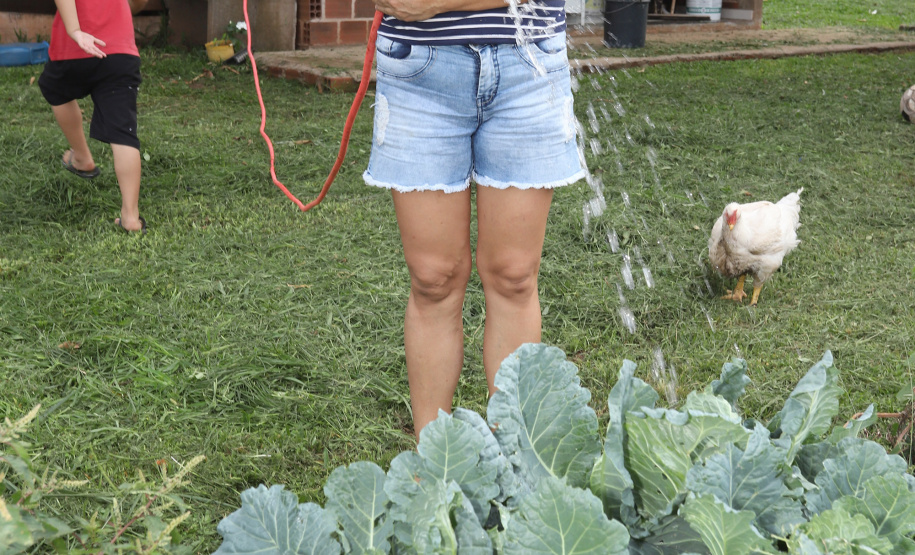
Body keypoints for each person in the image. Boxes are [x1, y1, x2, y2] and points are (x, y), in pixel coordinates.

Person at [365, 0, 586, 438]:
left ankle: (514, 460)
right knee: (433, 279)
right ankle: (434, 467)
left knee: (514, 276)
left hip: (528, 64)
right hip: (419, 69)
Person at [39, 0, 149, 233]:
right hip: (119, 50)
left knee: (55, 89)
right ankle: (131, 216)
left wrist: (75, 31)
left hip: (72, 49)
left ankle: (81, 157)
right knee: (123, 132)